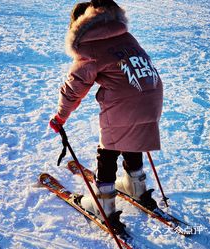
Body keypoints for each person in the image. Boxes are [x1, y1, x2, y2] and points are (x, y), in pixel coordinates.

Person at [50, 0, 163, 220]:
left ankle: (104, 204)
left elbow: (74, 88)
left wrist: (60, 117)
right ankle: (136, 185)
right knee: (131, 136)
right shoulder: (124, 35)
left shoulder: (89, 46)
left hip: (125, 101)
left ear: (78, 25)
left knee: (108, 148)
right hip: (152, 94)